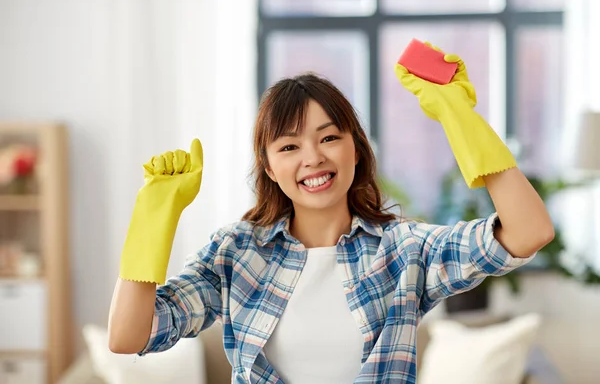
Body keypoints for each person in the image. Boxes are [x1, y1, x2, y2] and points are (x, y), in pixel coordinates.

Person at [107, 44, 555, 384]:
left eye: (328, 137)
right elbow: (129, 337)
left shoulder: (404, 251)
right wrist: (152, 220)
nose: (313, 158)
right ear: (268, 166)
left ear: (355, 149)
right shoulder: (235, 253)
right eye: (288, 146)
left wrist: (460, 117)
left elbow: (529, 231)